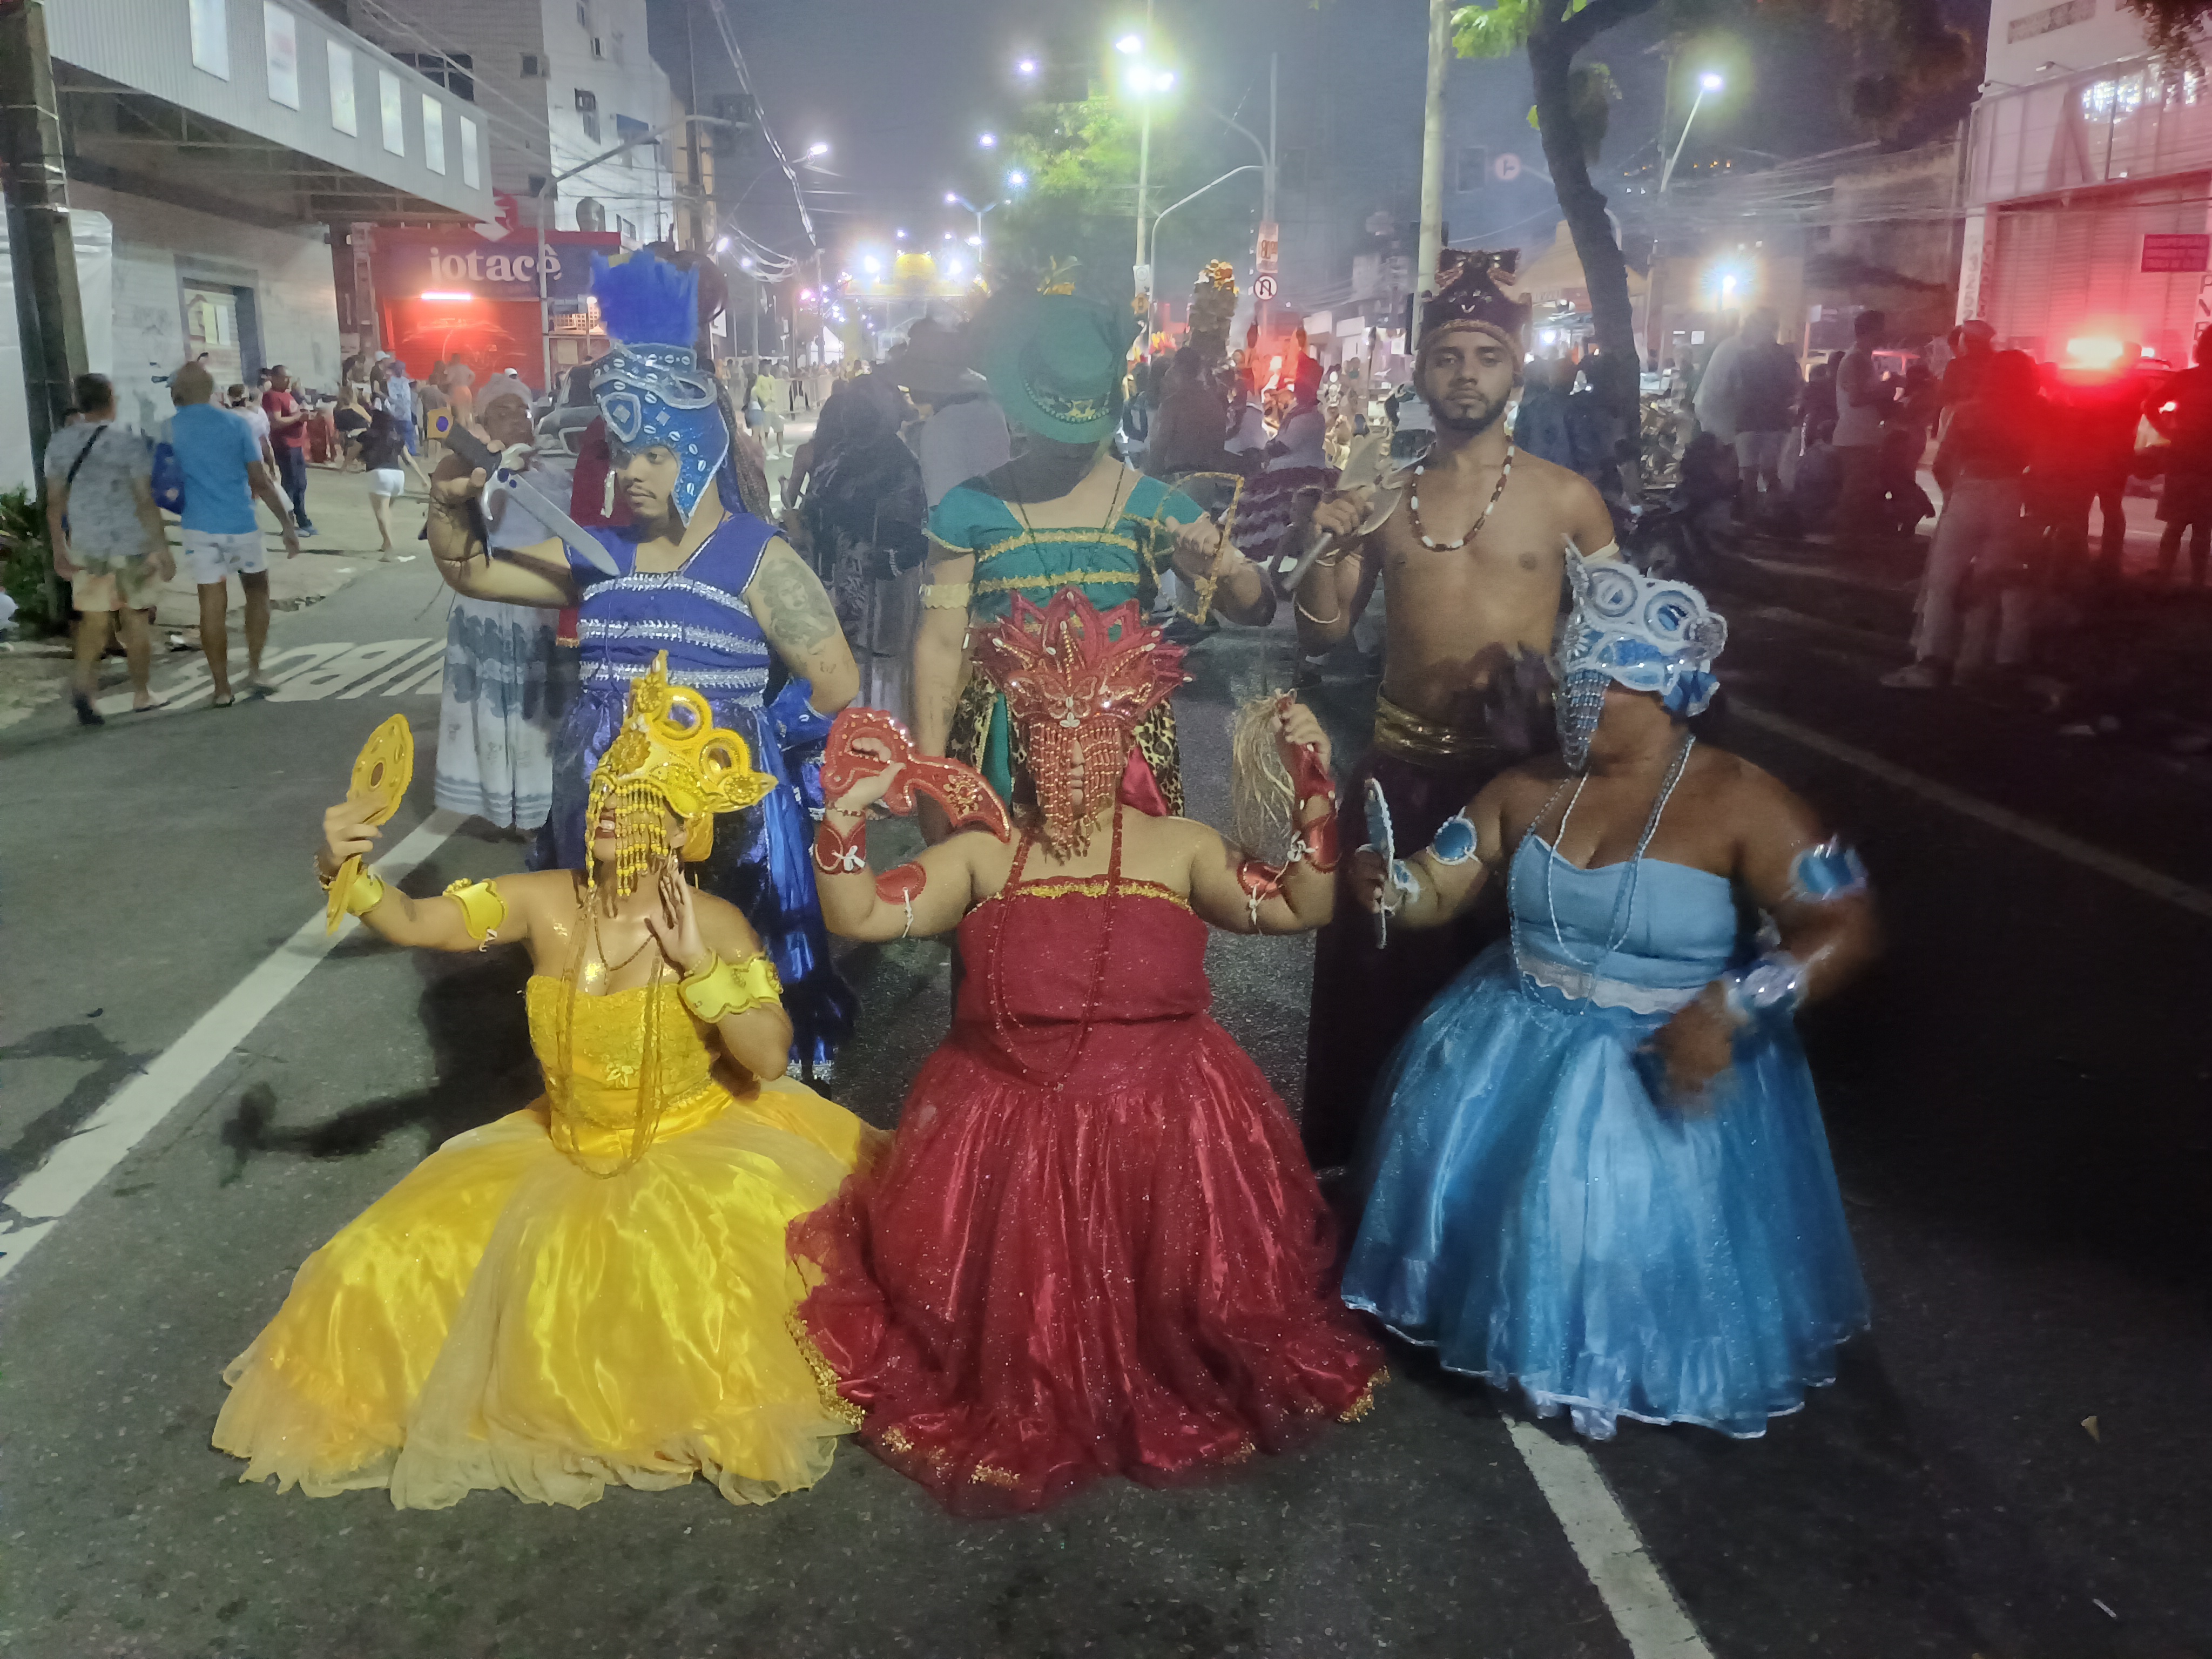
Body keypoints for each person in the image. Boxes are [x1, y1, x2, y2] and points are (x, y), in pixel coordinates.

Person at [214, 659, 882, 1509]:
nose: (608, 811)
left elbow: (768, 1057)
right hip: (557, 1147)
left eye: (635, 802)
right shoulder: (545, 901)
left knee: (682, 1318)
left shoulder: (712, 922)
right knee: (371, 1268)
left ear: (682, 830)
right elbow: (420, 923)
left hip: (701, 1153)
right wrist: (345, 866)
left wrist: (696, 967)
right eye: (605, 794)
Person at [792, 593, 1384, 1514]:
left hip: (1172, 1135)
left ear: (1128, 743)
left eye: (1091, 736)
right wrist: (845, 821)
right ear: (1024, 744)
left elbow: (1302, 906)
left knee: (1201, 1319)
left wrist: (1313, 783)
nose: (1069, 754)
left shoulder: (1182, 847)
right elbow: (862, 912)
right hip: (1002, 1143)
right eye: (1048, 736)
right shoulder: (986, 855)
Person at [1340, 555, 1877, 1441]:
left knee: (1609, 1241)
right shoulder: (1524, 787)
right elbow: (1441, 879)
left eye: (1597, 685)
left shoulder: (1747, 800)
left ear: (1670, 694)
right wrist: (1392, 884)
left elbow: (1843, 921)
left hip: (1661, 1063)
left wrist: (1736, 1006)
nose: (1568, 700)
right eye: (1570, 680)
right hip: (1508, 1046)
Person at [425, 248, 860, 1081]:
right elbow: (472, 572)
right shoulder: (598, 552)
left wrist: (748, 754)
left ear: (698, 450)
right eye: (624, 453)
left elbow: (835, 684)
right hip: (600, 794)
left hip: (716, 802)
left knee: (723, 948)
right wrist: (451, 501)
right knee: (611, 948)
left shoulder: (755, 556)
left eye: (653, 455)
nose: (629, 473)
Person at [1290, 249, 1619, 1175]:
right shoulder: (1384, 499)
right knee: (1377, 997)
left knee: (1514, 1002)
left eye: (1485, 355)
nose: (1465, 373)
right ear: (1421, 372)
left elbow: (1619, 641)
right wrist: (1324, 544)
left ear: (1516, 369)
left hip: (1522, 786)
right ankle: (1364, 1189)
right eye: (1447, 356)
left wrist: (1561, 703)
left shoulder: (1568, 501)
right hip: (1397, 781)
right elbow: (1322, 634)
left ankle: (1487, 1197)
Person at [914, 289, 1274, 819]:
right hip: (1000, 759)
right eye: (1059, 430)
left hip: (1123, 762)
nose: (1072, 446)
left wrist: (1225, 570)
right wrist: (930, 777)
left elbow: (1254, 607)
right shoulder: (969, 508)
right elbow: (941, 648)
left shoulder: (1157, 506)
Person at [434, 387, 574, 832]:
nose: (517, 419)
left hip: (541, 605)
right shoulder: (474, 469)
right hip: (491, 607)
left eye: (523, 411)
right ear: (484, 422)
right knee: (497, 711)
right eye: (502, 412)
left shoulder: (556, 471)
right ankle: (502, 808)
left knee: (541, 713)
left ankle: (542, 810)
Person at [1881, 349, 2040, 690]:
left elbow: (1942, 465)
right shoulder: (2033, 414)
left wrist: (1954, 493)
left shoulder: (1970, 412)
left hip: (1969, 493)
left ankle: (1931, 662)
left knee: (1943, 583)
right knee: (1986, 584)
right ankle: (1970, 664)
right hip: (2010, 496)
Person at [166, 361, 301, 706]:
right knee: (257, 593)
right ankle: (255, 670)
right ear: (211, 390)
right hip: (241, 523)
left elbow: (158, 482)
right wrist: (287, 524)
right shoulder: (236, 424)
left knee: (211, 605)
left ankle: (221, 688)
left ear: (178, 393)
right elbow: (260, 480)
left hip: (198, 527)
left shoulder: (168, 429)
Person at [799, 370, 929, 724]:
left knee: (878, 701)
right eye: (850, 409)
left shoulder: (900, 466)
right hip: (834, 601)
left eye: (862, 410)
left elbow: (915, 541)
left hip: (878, 610)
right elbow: (814, 512)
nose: (852, 417)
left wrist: (883, 562)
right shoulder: (838, 457)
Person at [43, 372, 173, 723]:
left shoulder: (60, 443)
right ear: (112, 398)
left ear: (80, 402)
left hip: (87, 545)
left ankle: (84, 687)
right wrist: (162, 548)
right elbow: (145, 500)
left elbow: (54, 504)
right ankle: (142, 693)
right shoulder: (128, 441)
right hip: (131, 543)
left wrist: (59, 550)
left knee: (94, 620)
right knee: (136, 617)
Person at [1233, 355, 1339, 571]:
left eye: (1302, 384)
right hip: (1284, 471)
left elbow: (1285, 444)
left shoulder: (1312, 417)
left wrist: (1266, 450)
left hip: (1297, 475)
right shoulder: (1300, 411)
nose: (1298, 387)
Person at [2146, 327, 2212, 588]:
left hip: (2184, 455)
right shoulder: (2186, 379)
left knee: (2176, 522)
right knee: (2203, 526)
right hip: (2205, 460)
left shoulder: (2186, 379)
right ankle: (2197, 583)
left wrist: (2168, 432)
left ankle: (2164, 577)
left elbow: (2150, 405)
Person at [1730, 309, 1801, 525]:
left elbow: (1737, 389)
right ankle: (1779, 519)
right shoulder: (1787, 358)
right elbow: (1794, 389)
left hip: (1748, 420)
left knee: (1748, 475)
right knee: (1770, 473)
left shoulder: (1744, 357)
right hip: (1776, 421)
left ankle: (1749, 522)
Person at [1831, 310, 1892, 547]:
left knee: (1861, 492)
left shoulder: (1862, 358)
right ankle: (1846, 543)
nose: (1886, 334)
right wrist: (1887, 388)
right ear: (1873, 331)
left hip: (1862, 436)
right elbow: (1856, 398)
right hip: (1855, 438)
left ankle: (1851, 542)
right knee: (1855, 493)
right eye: (1882, 329)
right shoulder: (1856, 360)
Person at [261, 365, 316, 536]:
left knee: (301, 484)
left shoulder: (287, 395)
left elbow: (292, 415)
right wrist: (299, 417)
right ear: (275, 378)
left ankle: (302, 518)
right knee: (290, 485)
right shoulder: (272, 396)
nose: (288, 382)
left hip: (296, 444)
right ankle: (289, 524)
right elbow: (276, 422)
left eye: (290, 378)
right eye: (285, 378)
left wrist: (304, 415)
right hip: (285, 445)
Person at [226, 383, 278, 476]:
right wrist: (272, 468)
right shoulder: (256, 417)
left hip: (232, 466)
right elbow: (265, 445)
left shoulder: (224, 418)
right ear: (247, 398)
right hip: (254, 464)